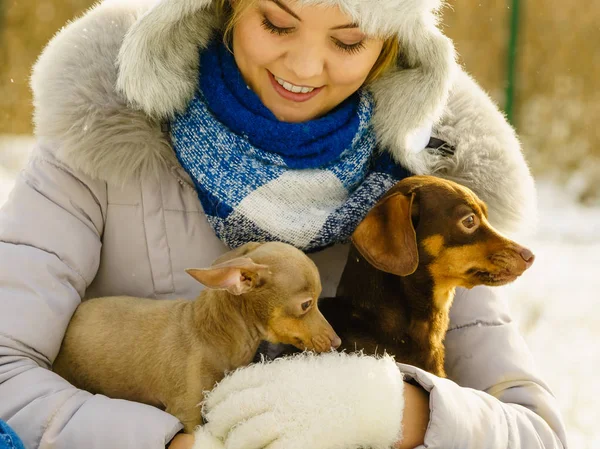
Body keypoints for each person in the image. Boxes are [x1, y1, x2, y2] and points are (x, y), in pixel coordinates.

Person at [0, 0, 567, 448]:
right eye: (276, 23)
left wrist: (396, 410)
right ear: (224, 8)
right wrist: (171, 443)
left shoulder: (428, 194)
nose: (303, 67)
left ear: (391, 44)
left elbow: (534, 431)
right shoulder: (98, 143)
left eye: (348, 40)